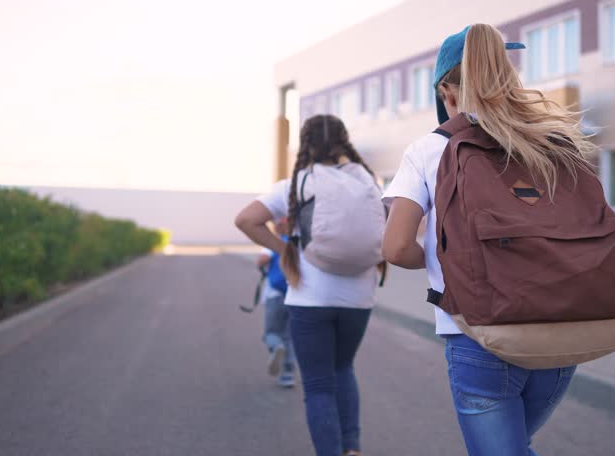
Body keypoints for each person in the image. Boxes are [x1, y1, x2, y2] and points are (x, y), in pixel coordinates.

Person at [382, 24, 596, 455]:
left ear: (447, 89)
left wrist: (449, 256)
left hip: (478, 333)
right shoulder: (554, 140)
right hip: (563, 329)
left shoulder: (430, 148)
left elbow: (395, 247)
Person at [235, 114, 384, 456]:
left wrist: (287, 251)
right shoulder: (370, 180)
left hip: (310, 298)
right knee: (343, 369)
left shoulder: (295, 184)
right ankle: (352, 449)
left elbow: (245, 219)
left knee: (318, 386)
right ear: (345, 142)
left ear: (306, 144)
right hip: (359, 298)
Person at [256, 216, 295, 388]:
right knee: (288, 336)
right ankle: (288, 374)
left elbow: (262, 260)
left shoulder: (274, 242)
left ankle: (276, 347)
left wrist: (263, 266)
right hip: (294, 296)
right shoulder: (297, 243)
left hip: (274, 294)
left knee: (270, 333)